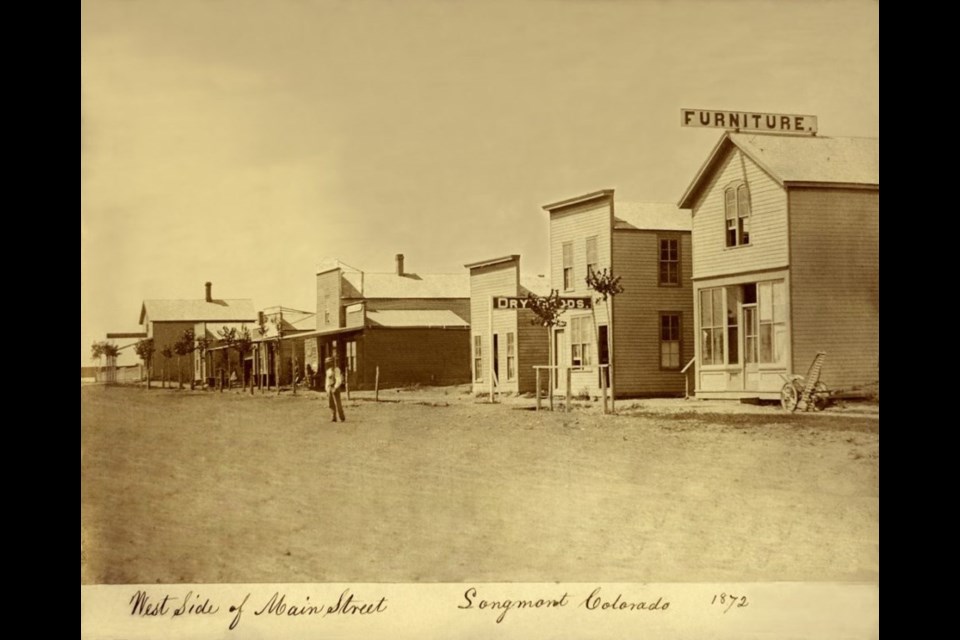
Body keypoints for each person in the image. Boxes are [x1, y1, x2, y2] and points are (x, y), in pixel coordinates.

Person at [324, 356, 346, 422]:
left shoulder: (336, 369)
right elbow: (327, 380)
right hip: (330, 387)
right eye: (327, 363)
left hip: (335, 387)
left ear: (332, 363)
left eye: (330, 363)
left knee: (338, 403)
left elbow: (338, 379)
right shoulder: (328, 371)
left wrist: (335, 387)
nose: (328, 364)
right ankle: (333, 417)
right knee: (331, 403)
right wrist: (327, 388)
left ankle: (342, 417)